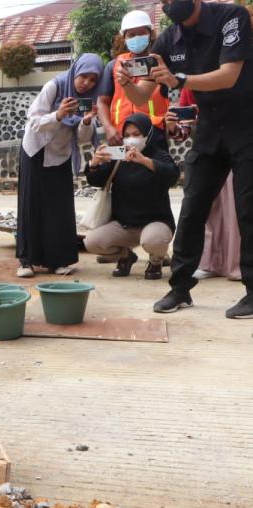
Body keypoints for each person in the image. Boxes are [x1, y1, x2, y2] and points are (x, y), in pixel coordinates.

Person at [121, 0, 253, 317]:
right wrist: (127, 84)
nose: (167, 5)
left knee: (248, 209)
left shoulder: (230, 16)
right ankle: (180, 289)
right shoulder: (168, 39)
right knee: (192, 208)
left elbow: (229, 75)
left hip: (246, 125)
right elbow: (142, 95)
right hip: (209, 130)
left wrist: (179, 80)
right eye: (162, 1)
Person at [15, 53, 103, 278]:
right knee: (31, 205)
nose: (87, 83)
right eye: (84, 76)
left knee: (59, 209)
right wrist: (59, 114)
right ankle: (26, 261)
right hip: (35, 151)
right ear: (76, 72)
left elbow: (83, 138)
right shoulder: (54, 87)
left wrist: (85, 121)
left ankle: (59, 260)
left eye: (94, 79)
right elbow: (33, 122)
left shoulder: (90, 99)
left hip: (61, 154)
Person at [83, 113, 178, 279]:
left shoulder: (158, 153)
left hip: (155, 222)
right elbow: (97, 180)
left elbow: (172, 176)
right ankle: (125, 256)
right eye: (126, 135)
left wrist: (143, 160)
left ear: (147, 135)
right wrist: (94, 164)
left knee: (153, 241)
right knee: (91, 242)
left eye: (136, 134)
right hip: (124, 224)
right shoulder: (119, 153)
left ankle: (156, 260)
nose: (131, 139)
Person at [170, 86, 241, 282]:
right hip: (207, 151)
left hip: (237, 150)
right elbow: (182, 131)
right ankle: (210, 262)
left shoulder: (236, 73)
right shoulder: (191, 83)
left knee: (235, 211)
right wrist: (175, 126)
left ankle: (237, 264)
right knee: (207, 211)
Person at [97, 10, 170, 147]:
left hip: (154, 134)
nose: (137, 37)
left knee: (155, 167)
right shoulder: (113, 66)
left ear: (150, 34)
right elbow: (102, 102)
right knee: (123, 168)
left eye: (142, 33)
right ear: (124, 38)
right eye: (131, 34)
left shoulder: (160, 62)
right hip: (121, 135)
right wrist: (108, 128)